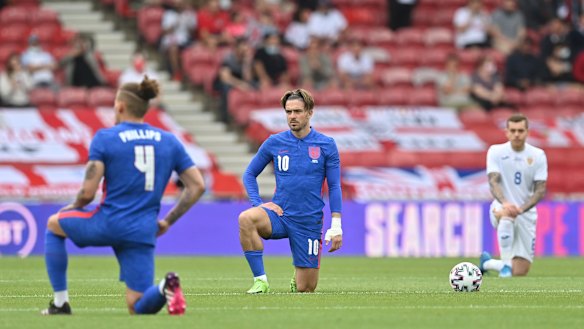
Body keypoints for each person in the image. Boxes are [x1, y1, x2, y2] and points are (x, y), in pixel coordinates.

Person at [42, 76, 206, 315]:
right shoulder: (169, 140)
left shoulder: (106, 137)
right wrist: (168, 221)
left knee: (53, 224)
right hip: (142, 229)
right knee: (137, 305)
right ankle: (164, 287)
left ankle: (59, 304)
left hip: (108, 222)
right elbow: (197, 185)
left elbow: (88, 193)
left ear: (120, 106)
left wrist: (72, 206)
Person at [238, 88, 343, 294]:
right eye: (288, 112)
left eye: (297, 111)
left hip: (308, 221)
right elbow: (249, 174)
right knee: (246, 218)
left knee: (306, 289)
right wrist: (258, 203)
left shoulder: (326, 145)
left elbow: (334, 186)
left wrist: (336, 224)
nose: (292, 116)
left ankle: (299, 278)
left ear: (310, 112)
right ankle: (261, 281)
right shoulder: (274, 142)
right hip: (280, 215)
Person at [480, 113, 547, 278]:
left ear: (527, 132)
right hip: (500, 206)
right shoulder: (496, 151)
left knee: (520, 271)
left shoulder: (537, 155)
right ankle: (505, 268)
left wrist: (522, 209)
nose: (517, 134)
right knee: (506, 214)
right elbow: (493, 181)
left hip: (526, 213)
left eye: (520, 130)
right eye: (513, 130)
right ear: (507, 132)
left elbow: (540, 189)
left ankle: (488, 263)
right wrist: (505, 203)